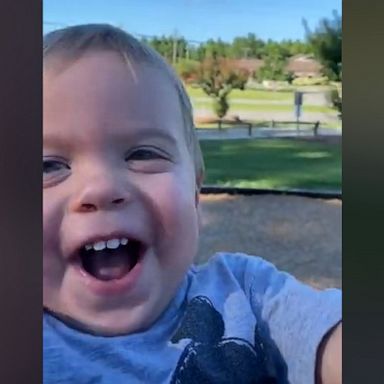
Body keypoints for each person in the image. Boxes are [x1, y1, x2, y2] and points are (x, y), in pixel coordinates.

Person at [43, 24, 341, 384]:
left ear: (195, 194)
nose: (101, 188)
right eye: (49, 166)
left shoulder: (244, 295)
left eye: (142, 154)